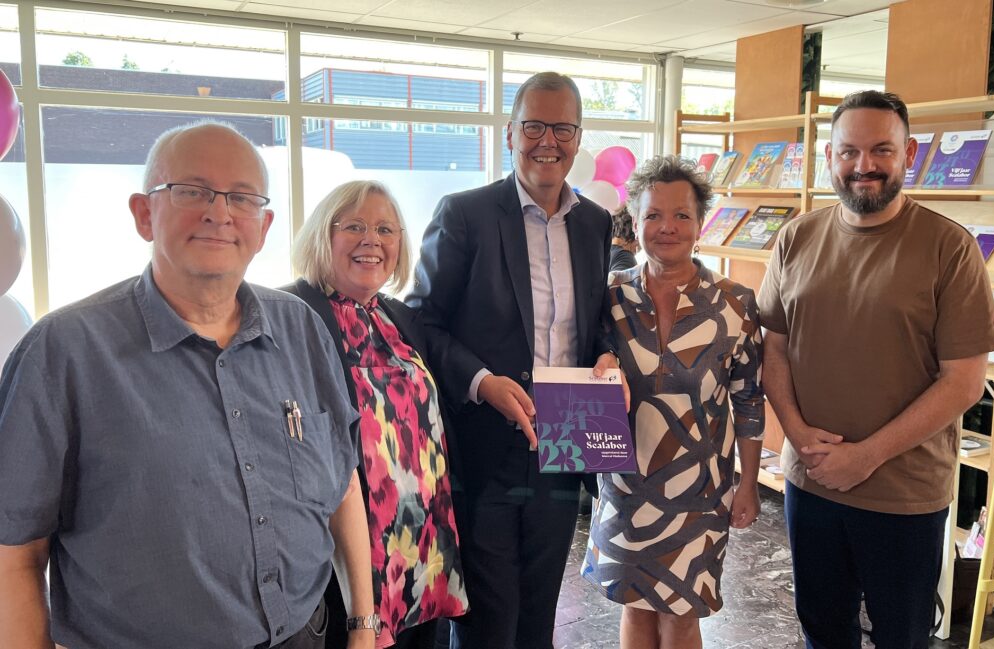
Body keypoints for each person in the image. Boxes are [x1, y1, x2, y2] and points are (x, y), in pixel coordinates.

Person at [0, 122, 375, 649]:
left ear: (264, 226)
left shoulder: (301, 329)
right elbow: (15, 552)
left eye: (241, 197)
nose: (219, 213)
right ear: (143, 213)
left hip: (307, 635)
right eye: (192, 191)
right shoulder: (63, 352)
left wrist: (363, 623)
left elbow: (342, 481)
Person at [758, 91, 994, 649]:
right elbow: (774, 349)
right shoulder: (796, 238)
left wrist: (865, 456)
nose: (864, 165)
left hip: (903, 495)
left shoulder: (949, 248)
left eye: (881, 150)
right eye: (849, 151)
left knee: (902, 635)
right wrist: (797, 436)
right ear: (829, 156)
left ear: (909, 153)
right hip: (812, 483)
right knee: (822, 629)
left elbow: (964, 381)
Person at [406, 71, 618, 649]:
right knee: (486, 618)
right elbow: (421, 320)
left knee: (538, 611)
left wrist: (606, 358)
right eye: (533, 125)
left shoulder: (596, 224)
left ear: (578, 136)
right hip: (485, 446)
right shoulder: (466, 214)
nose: (547, 140)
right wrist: (481, 382)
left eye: (563, 128)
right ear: (509, 132)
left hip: (568, 439)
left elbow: (597, 323)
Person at [581, 155, 764, 649]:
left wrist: (749, 484)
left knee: (683, 614)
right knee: (636, 608)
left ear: (701, 223)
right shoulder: (609, 295)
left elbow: (749, 400)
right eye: (653, 216)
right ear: (635, 224)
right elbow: (584, 366)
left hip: (701, 488)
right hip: (625, 482)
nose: (667, 227)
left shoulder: (736, 304)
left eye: (681, 215)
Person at [283, 180, 469, 649]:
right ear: (323, 236)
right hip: (349, 554)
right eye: (355, 227)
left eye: (386, 229)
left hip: (422, 546)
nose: (372, 240)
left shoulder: (399, 317)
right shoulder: (291, 314)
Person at [609, 205, 639, 272]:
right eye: (636, 246)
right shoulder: (624, 256)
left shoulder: (600, 253)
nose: (635, 252)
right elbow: (618, 282)